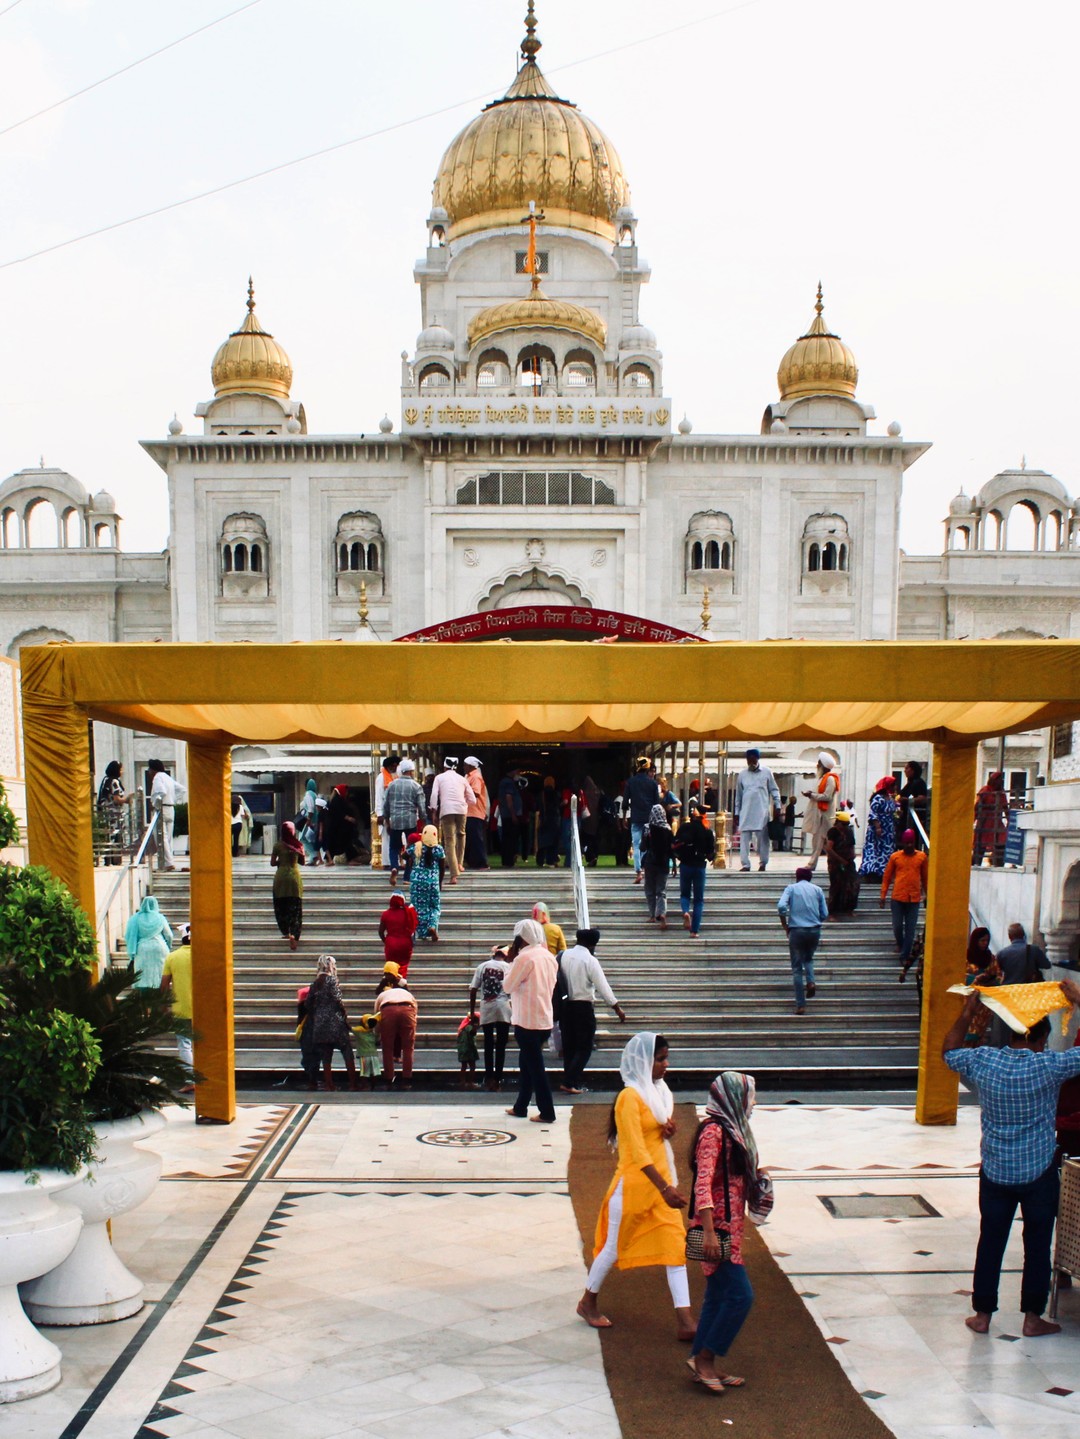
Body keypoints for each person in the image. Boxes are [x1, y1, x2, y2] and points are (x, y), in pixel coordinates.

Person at [942, 979, 1080, 1337]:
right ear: (1039, 1040)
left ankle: (983, 1315)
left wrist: (969, 1013)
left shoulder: (984, 1061)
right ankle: (1032, 1318)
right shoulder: (1048, 1066)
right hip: (1038, 1172)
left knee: (991, 1241)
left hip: (996, 1170)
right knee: (1036, 1244)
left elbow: (949, 1051)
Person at [577, 1033, 695, 1340]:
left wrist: (668, 1130)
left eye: (667, 1058)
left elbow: (655, 1135)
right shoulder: (629, 1098)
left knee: (674, 1247)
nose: (666, 1065)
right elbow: (635, 1150)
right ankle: (588, 1302)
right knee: (614, 1247)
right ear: (643, 1061)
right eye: (660, 1059)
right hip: (634, 1185)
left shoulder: (660, 1092)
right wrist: (664, 1188)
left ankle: (685, 1320)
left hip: (662, 1185)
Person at [687, 1071, 775, 1392]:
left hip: (730, 1229)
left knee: (717, 1295)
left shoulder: (733, 1131)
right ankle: (706, 1359)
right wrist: (708, 1232)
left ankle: (700, 1357)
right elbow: (703, 1183)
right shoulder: (714, 1133)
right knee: (740, 1296)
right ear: (734, 1099)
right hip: (718, 1232)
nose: (753, 1103)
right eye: (750, 1096)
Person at [503, 917, 558, 1124]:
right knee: (526, 1064)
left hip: (526, 1020)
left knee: (535, 1069)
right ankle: (521, 1106)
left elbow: (508, 987)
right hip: (544, 1018)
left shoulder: (524, 959)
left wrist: (509, 964)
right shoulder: (548, 956)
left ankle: (547, 1111)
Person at [558, 928, 626, 1094]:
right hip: (583, 1007)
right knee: (585, 1046)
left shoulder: (562, 956)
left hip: (565, 1006)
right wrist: (616, 1007)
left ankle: (570, 1080)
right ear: (592, 944)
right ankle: (569, 1081)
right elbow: (603, 986)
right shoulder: (590, 960)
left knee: (569, 1045)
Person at [777, 867, 829, 1014]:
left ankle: (801, 1005)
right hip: (814, 929)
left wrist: (784, 923)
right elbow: (824, 913)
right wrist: (816, 920)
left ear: (797, 877)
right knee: (809, 958)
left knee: (797, 968)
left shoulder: (791, 888)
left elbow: (781, 905)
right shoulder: (817, 890)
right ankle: (811, 981)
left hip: (796, 930)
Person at [305, 954, 358, 1091]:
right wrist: (344, 1015)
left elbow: (308, 1003)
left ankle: (329, 1084)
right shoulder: (332, 981)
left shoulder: (315, 984)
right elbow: (338, 999)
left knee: (326, 1055)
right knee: (347, 1051)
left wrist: (317, 1015)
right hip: (336, 1022)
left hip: (320, 1024)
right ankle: (353, 1083)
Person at [880, 829, 928, 977]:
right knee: (897, 926)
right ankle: (900, 944)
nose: (908, 845)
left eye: (911, 843)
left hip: (914, 899)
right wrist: (883, 895)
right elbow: (887, 877)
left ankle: (905, 955)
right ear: (902, 843)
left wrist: (927, 895)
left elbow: (926, 878)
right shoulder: (895, 857)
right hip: (897, 898)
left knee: (911, 929)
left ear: (914, 843)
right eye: (906, 842)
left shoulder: (921, 857)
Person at [470, 944, 513, 1091]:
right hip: (503, 1006)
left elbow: (473, 989)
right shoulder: (508, 968)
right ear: (505, 955)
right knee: (501, 1044)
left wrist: (472, 1012)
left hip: (487, 1005)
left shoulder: (482, 966)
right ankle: (498, 1077)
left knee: (488, 1043)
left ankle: (489, 1076)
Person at [160, 922, 194, 1089]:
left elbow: (164, 984)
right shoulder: (204, 955)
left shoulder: (172, 957)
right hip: (205, 1009)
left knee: (184, 1044)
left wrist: (164, 1008)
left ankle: (191, 1081)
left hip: (180, 1009)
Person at [734, 748, 780, 872]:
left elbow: (774, 790)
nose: (750, 761)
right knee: (745, 839)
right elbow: (738, 795)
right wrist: (736, 812)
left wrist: (778, 805)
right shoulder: (742, 774)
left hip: (762, 812)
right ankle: (745, 865)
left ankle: (763, 863)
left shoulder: (766, 772)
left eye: (752, 758)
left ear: (757, 758)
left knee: (762, 840)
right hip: (746, 811)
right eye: (748, 759)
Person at [383, 759, 427, 881]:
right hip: (410, 820)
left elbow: (385, 804)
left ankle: (394, 867)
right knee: (412, 848)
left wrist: (387, 819)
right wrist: (423, 820)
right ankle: (407, 877)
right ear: (411, 772)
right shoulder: (416, 786)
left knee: (394, 847)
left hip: (395, 820)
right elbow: (421, 806)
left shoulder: (392, 784)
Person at [675, 803, 715, 937]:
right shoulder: (707, 832)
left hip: (685, 864)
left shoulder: (684, 827)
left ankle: (685, 911)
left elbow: (675, 845)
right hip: (699, 866)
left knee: (685, 894)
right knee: (698, 899)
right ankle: (694, 931)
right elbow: (710, 854)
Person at [430, 756, 470, 884]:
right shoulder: (462, 779)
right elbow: (472, 798)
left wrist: (434, 810)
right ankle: (459, 863)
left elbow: (434, 795)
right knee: (461, 835)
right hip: (461, 810)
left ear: (444, 766)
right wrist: (464, 804)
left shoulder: (439, 778)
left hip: (447, 810)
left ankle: (454, 875)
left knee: (449, 841)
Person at [375, 969, 418, 1089]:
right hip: (407, 1008)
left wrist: (377, 1035)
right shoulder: (407, 993)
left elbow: (377, 1016)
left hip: (388, 1009)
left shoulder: (383, 995)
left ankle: (389, 1078)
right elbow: (415, 1011)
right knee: (408, 1047)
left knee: (387, 1047)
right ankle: (407, 1079)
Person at [800, 752, 840, 870]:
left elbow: (827, 797)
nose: (817, 765)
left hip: (825, 815)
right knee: (817, 840)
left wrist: (812, 795)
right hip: (819, 814)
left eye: (819, 763)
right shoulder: (823, 778)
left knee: (828, 842)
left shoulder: (831, 779)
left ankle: (833, 863)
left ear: (822, 765)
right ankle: (815, 864)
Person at [125, 895, 173, 989]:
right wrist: (169, 945)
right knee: (159, 972)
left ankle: (144, 996)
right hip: (160, 947)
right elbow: (169, 935)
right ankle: (160, 994)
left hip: (142, 949)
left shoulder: (135, 919)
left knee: (143, 975)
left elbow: (129, 935)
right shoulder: (160, 918)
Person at [270, 820, 305, 950]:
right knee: (295, 909)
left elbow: (272, 863)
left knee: (281, 906)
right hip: (294, 879)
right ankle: (294, 936)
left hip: (280, 878)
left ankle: (286, 931)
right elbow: (303, 862)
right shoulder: (298, 845)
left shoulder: (278, 846)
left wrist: (281, 860)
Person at [626, 756, 661, 884]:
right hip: (649, 817)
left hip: (636, 817)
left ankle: (638, 871)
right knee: (646, 845)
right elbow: (657, 803)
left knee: (636, 845)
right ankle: (644, 868)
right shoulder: (653, 783)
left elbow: (625, 802)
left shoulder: (631, 782)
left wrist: (625, 816)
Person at [640, 802, 674, 929]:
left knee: (649, 889)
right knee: (661, 891)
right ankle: (662, 913)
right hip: (664, 863)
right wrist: (674, 865)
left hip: (650, 862)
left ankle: (652, 915)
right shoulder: (668, 829)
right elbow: (671, 849)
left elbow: (642, 847)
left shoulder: (647, 828)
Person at [409, 824, 445, 941]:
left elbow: (404, 855)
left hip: (416, 882)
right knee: (434, 907)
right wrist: (439, 883)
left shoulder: (416, 847)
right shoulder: (439, 849)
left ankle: (422, 933)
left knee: (418, 908)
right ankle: (432, 926)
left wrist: (413, 861)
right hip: (432, 882)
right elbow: (442, 868)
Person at [860, 776, 898, 881]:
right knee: (874, 850)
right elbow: (873, 813)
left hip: (888, 831)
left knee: (886, 852)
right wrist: (877, 827)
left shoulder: (890, 799)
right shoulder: (878, 798)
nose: (895, 787)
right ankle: (871, 873)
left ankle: (884, 873)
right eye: (893, 785)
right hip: (878, 830)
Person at [824, 811, 859, 919]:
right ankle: (832, 912)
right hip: (835, 863)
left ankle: (849, 908)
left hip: (849, 862)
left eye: (847, 824)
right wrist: (840, 860)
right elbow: (829, 848)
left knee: (854, 884)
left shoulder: (849, 831)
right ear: (838, 823)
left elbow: (852, 845)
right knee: (836, 886)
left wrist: (852, 855)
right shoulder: (832, 832)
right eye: (843, 824)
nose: (845, 826)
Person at [97, 760, 132, 862]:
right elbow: (116, 799)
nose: (122, 771)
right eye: (121, 769)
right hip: (113, 813)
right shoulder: (114, 782)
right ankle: (113, 859)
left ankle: (109, 858)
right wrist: (127, 799)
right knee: (114, 835)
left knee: (109, 835)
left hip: (105, 813)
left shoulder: (106, 780)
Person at [147, 758, 178, 872]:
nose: (149, 772)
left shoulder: (158, 777)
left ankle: (168, 863)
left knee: (160, 837)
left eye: (149, 769)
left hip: (162, 808)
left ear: (153, 769)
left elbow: (161, 791)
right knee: (168, 838)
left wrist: (155, 802)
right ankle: (168, 861)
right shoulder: (168, 777)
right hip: (171, 808)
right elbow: (181, 789)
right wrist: (173, 799)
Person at [379, 891, 418, 978]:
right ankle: (401, 982)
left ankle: (390, 984)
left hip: (391, 943)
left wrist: (386, 941)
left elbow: (381, 932)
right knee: (403, 966)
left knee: (391, 967)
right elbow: (413, 927)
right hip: (405, 943)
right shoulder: (408, 912)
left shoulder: (386, 914)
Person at [973, 770, 1008, 867]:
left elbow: (1005, 807)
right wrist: (973, 820)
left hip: (996, 821)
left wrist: (1009, 820)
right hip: (985, 821)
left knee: (1001, 842)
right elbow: (976, 807)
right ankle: (975, 863)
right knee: (980, 845)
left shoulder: (1001, 793)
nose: (1001, 782)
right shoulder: (984, 791)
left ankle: (999, 863)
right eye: (999, 780)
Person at [463, 756, 490, 869]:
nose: (463, 767)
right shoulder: (469, 776)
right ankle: (472, 861)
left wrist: (461, 794)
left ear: (471, 766)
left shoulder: (476, 777)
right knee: (470, 838)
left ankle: (482, 863)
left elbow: (476, 793)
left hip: (475, 812)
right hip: (469, 812)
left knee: (476, 838)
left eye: (465, 765)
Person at [325, 783, 362, 865]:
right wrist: (348, 818)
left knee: (338, 843)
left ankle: (330, 860)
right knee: (345, 843)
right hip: (339, 828)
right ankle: (349, 859)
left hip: (337, 828)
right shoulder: (337, 800)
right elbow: (338, 813)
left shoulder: (337, 799)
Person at [373, 752, 399, 867]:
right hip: (385, 812)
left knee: (395, 837)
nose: (394, 768)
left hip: (395, 812)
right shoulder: (381, 778)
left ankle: (395, 861)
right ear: (388, 766)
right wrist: (379, 814)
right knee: (386, 837)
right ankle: (387, 862)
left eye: (396, 766)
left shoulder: (395, 777)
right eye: (393, 766)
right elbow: (378, 796)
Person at [497, 767, 523, 868]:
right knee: (510, 839)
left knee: (507, 838)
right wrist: (513, 814)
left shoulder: (506, 782)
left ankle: (507, 861)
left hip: (506, 814)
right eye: (518, 771)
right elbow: (509, 798)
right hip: (509, 815)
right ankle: (508, 861)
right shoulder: (508, 783)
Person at [898, 758, 929, 840]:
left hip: (914, 819)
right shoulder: (909, 783)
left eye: (907, 768)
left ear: (913, 770)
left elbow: (923, 798)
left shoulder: (919, 783)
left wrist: (908, 800)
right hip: (905, 817)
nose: (905, 771)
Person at [536, 776, 561, 868]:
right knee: (553, 843)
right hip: (554, 821)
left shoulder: (541, 794)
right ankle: (551, 860)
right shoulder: (556, 794)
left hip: (544, 820)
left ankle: (540, 860)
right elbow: (558, 805)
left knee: (543, 842)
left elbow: (537, 806)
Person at [352, 1012, 381, 1089]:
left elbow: (350, 1028)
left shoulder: (359, 1032)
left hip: (364, 1055)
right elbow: (377, 1043)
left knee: (364, 1072)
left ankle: (364, 1086)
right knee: (374, 1072)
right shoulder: (372, 1033)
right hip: (374, 1055)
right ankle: (373, 1086)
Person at [297, 778, 321, 864]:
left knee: (303, 838)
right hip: (315, 821)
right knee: (310, 838)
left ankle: (314, 855)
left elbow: (310, 809)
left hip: (309, 821)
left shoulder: (308, 794)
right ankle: (313, 858)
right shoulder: (315, 795)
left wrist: (309, 820)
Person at [457, 1013, 479, 1087]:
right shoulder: (469, 1027)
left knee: (464, 1065)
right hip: (469, 1049)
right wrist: (475, 1027)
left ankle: (462, 1081)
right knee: (472, 1065)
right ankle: (470, 1082)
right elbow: (473, 1032)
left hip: (463, 1049)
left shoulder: (463, 1027)